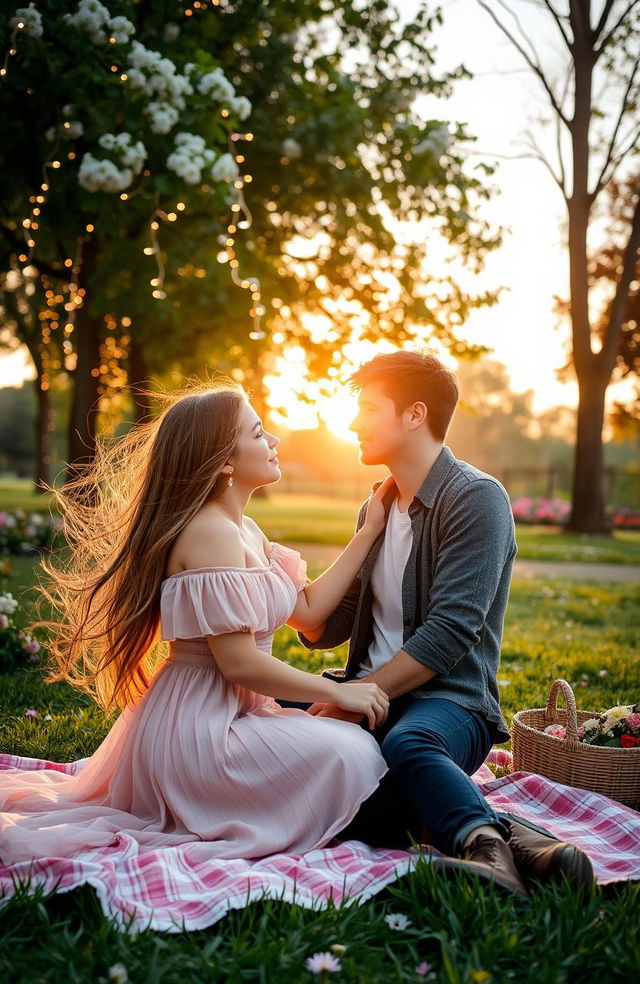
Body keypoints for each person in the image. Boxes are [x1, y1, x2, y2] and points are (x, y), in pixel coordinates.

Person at [0, 381, 393, 865]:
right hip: (202, 728)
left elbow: (308, 611)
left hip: (234, 713)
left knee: (347, 746)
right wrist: (338, 691)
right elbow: (239, 664)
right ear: (225, 460)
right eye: (258, 433)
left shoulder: (243, 527)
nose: (274, 441)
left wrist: (370, 529)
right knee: (347, 751)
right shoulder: (209, 533)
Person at [293, 351, 593, 897]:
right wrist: (269, 582)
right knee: (257, 711)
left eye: (366, 409)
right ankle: (529, 846)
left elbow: (452, 631)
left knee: (407, 745)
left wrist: (354, 697)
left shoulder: (476, 498)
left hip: (449, 704)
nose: (353, 423)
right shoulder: (377, 508)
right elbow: (326, 629)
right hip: (366, 692)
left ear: (414, 415)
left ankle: (489, 853)